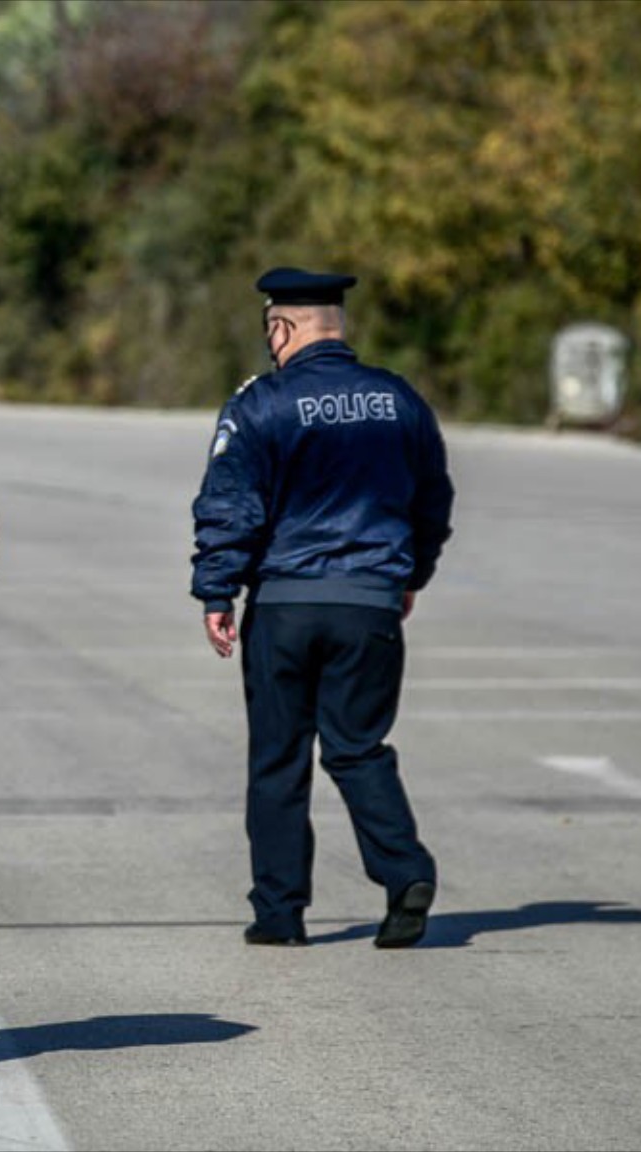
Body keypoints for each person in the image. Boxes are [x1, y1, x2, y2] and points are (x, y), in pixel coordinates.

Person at [191, 266, 455, 950]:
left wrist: (218, 590)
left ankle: (279, 914)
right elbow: (433, 499)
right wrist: (409, 575)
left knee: (278, 760)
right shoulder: (400, 400)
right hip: (369, 603)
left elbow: (230, 505)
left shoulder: (261, 403)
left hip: (284, 605)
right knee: (358, 748)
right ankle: (405, 874)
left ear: (281, 328)